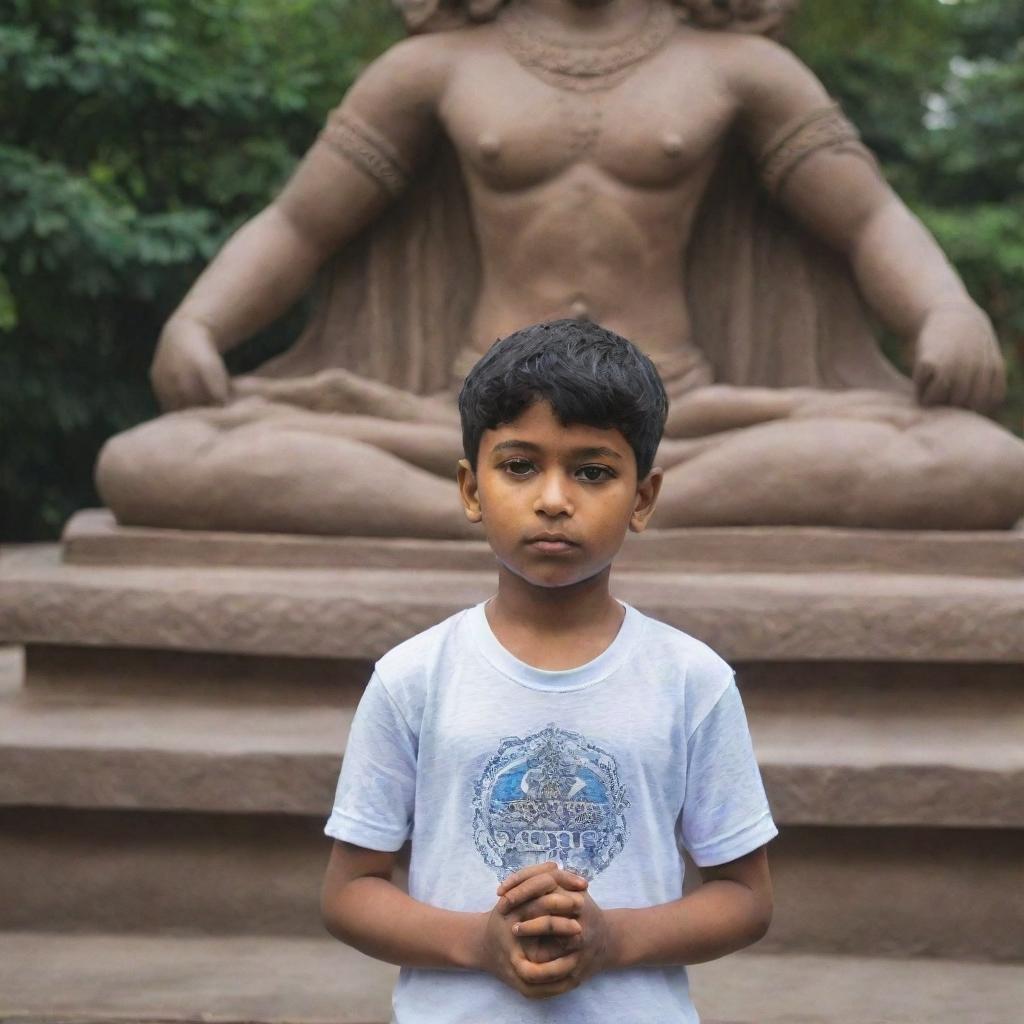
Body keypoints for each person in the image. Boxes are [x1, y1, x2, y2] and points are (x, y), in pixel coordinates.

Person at [95, 0, 1024, 534]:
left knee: (978, 467)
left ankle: (543, 506)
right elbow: (300, 224)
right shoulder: (435, 67)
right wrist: (199, 323)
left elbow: (867, 217)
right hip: (458, 415)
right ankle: (534, 503)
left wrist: (945, 310)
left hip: (683, 417)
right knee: (153, 464)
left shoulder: (740, 68)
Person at [320, 320, 777, 1022]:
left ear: (643, 498)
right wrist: (477, 942)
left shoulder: (692, 679)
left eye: (593, 471)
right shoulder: (413, 677)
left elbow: (745, 897)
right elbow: (350, 893)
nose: (555, 499)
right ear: (471, 490)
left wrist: (613, 938)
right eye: (520, 465)